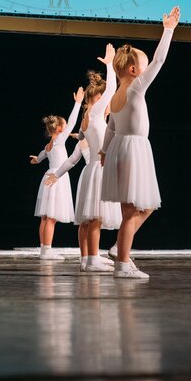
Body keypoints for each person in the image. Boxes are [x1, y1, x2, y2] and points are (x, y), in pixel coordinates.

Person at [99, 5, 180, 279]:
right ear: (134, 70)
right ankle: (122, 262)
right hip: (133, 149)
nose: (147, 72)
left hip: (119, 149)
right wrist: (168, 31)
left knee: (135, 209)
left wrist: (104, 151)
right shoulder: (136, 87)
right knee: (135, 211)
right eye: (143, 69)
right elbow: (159, 60)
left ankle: (120, 252)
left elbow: (110, 128)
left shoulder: (115, 97)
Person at [46, 48, 122, 272]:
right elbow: (112, 90)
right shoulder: (96, 113)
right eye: (104, 99)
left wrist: (57, 174)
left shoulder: (88, 119)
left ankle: (87, 259)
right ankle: (93, 259)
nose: (109, 102)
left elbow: (75, 151)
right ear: (96, 100)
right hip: (98, 170)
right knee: (96, 217)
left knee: (88, 220)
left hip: (91, 171)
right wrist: (110, 65)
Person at [30, 88, 84, 260]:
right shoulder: (60, 139)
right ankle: (46, 251)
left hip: (49, 176)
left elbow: (41, 155)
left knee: (45, 217)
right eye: (65, 126)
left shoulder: (50, 144)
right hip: (56, 178)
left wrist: (37, 160)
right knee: (51, 218)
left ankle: (44, 250)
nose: (67, 127)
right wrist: (77, 103)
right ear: (60, 128)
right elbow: (73, 121)